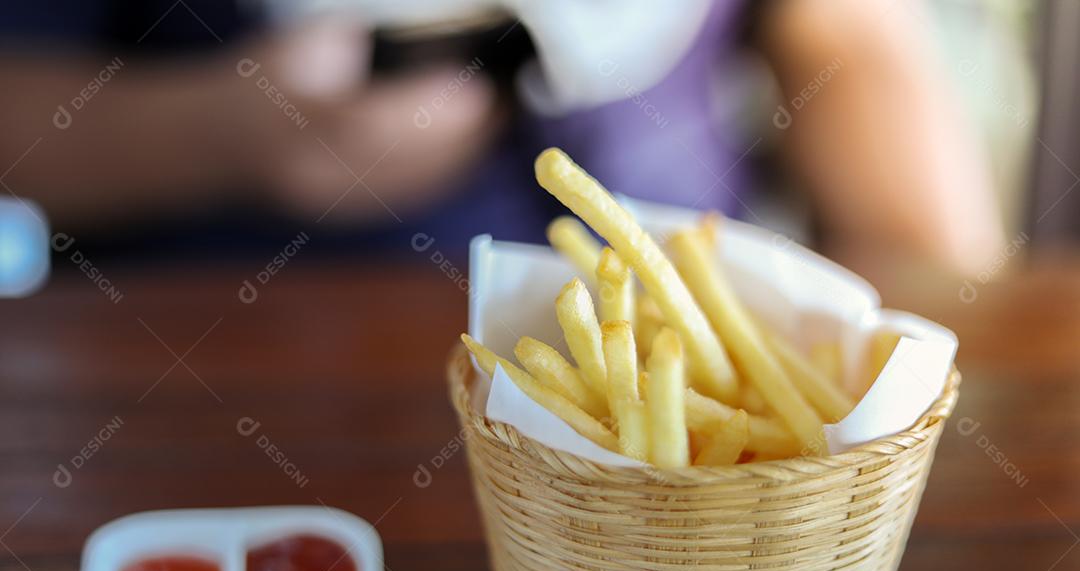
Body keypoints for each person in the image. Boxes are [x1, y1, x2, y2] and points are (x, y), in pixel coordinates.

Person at [0, 0, 1004, 275]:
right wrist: (233, 135)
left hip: (675, 365)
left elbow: (849, 37)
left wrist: (945, 316)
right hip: (219, 377)